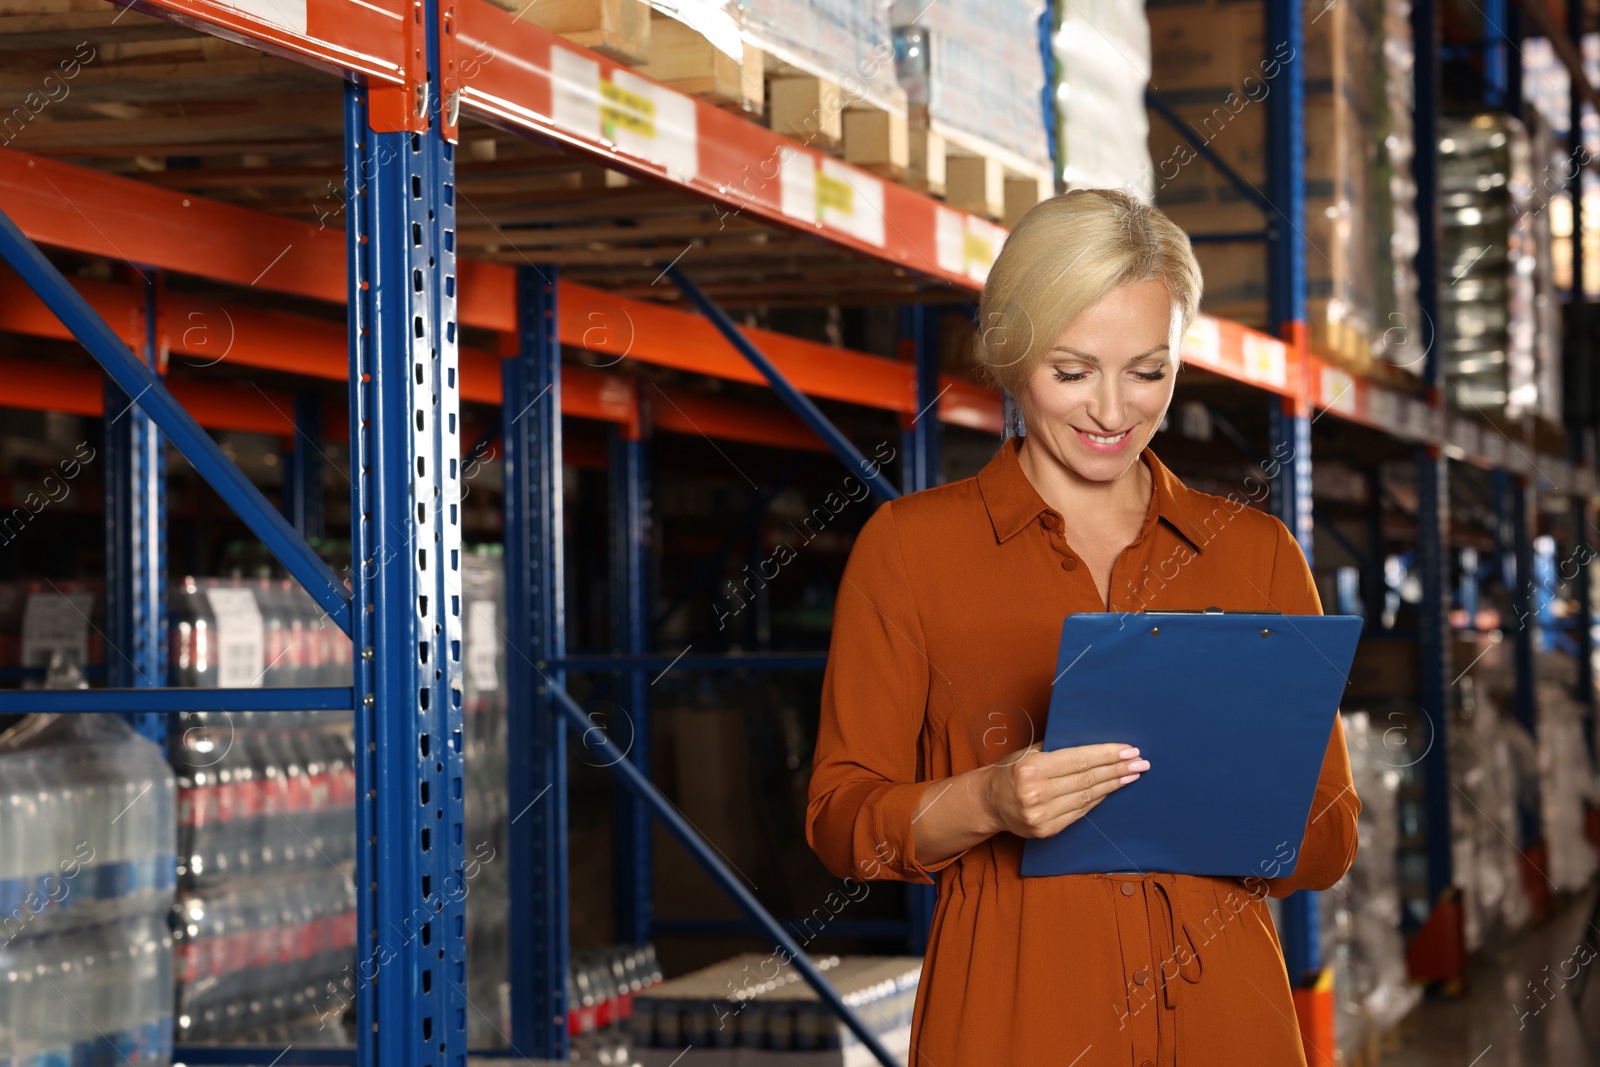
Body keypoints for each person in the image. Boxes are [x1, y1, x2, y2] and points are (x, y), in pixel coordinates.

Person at [806, 189, 1360, 1066]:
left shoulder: (1254, 554)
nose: (1113, 410)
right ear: (1011, 356)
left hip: (1228, 1025)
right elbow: (842, 822)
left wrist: (1228, 788)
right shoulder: (910, 550)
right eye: (1072, 371)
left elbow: (1329, 834)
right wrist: (988, 799)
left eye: (1148, 371)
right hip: (1015, 1024)